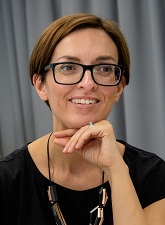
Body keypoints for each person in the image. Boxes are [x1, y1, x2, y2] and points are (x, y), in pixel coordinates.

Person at [0, 13, 165, 225]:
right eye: (68, 67)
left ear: (119, 87)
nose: (88, 83)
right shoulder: (7, 180)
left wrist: (116, 169)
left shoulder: (154, 176)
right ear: (40, 85)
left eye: (104, 68)